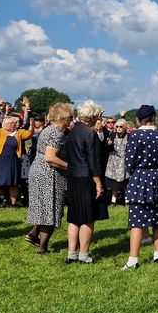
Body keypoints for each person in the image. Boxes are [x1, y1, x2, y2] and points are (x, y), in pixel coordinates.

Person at [121, 105, 158, 270]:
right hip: (157, 178)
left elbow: (129, 162)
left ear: (138, 119)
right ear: (153, 117)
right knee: (157, 220)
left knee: (136, 221)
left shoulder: (135, 136)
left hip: (140, 178)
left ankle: (133, 260)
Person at [25, 103, 73, 254]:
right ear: (63, 118)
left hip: (38, 171)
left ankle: (33, 234)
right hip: (48, 174)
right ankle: (42, 248)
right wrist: (69, 166)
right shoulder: (56, 133)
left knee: (43, 208)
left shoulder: (49, 130)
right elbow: (50, 157)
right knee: (50, 211)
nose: (72, 119)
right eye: (70, 117)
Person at [65, 100, 109, 264]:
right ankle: (83, 254)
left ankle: (71, 253)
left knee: (74, 216)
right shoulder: (90, 134)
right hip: (87, 178)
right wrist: (98, 183)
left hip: (73, 177)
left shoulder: (73, 131)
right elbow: (93, 161)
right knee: (87, 217)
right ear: (91, 117)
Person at [0, 115, 34, 209]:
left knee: (13, 183)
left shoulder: (19, 132)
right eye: (10, 123)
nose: (12, 125)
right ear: (4, 124)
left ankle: (13, 204)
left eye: (14, 123)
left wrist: (31, 125)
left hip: (13, 161)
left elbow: (29, 134)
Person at [104, 119, 129, 205]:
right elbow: (108, 144)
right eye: (117, 126)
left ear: (125, 127)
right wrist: (109, 142)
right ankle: (113, 201)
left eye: (121, 126)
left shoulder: (129, 136)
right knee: (114, 183)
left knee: (126, 182)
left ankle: (127, 201)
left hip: (125, 161)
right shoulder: (113, 134)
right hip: (114, 162)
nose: (118, 128)